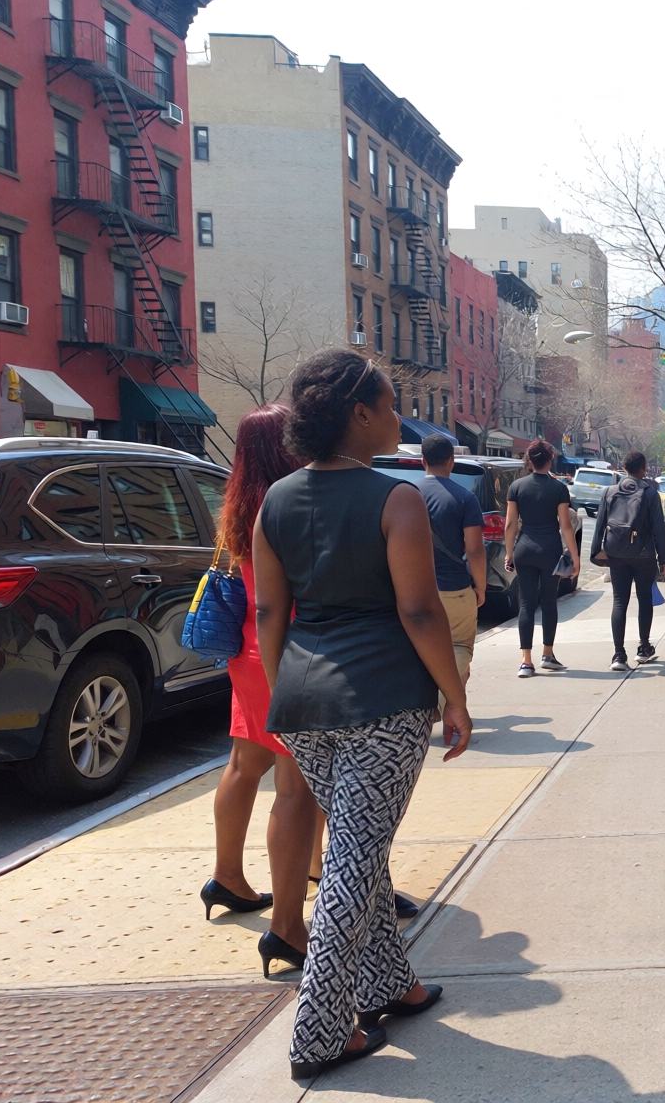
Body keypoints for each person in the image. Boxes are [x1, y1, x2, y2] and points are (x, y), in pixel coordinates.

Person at [252, 349, 473, 1079]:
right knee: (353, 860)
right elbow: (417, 609)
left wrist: (283, 693)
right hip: (383, 701)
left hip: (305, 699)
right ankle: (319, 1029)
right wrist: (456, 697)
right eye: (388, 403)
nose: (399, 416)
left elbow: (268, 611)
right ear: (358, 414)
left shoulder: (275, 501)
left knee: (357, 850)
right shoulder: (396, 497)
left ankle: (388, 985)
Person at [201, 403, 322, 979]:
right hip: (288, 649)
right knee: (297, 789)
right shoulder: (289, 506)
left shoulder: (237, 507)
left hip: (246, 651)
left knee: (243, 761)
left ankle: (227, 875)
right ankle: (288, 928)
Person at [503, 440, 581, 677]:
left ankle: (526, 661)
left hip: (524, 548)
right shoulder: (558, 489)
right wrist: (574, 557)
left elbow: (510, 525)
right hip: (550, 550)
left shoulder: (516, 487)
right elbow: (565, 525)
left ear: (529, 460)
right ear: (549, 460)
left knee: (526, 603)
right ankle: (547, 653)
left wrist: (509, 554)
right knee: (548, 602)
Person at [417, 434, 484, 701]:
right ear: (451, 462)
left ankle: (423, 703)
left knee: (418, 648)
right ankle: (443, 702)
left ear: (422, 461)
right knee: (459, 646)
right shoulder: (466, 498)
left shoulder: (405, 494)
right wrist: (480, 587)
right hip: (454, 587)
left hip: (415, 589)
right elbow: (475, 549)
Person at [592, 450, 665, 671]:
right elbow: (658, 529)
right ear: (643, 468)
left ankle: (618, 655)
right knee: (644, 599)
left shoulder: (609, 492)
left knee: (619, 601)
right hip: (644, 554)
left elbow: (600, 525)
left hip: (617, 554)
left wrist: (596, 552)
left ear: (625, 468)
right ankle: (643, 647)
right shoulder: (649, 494)